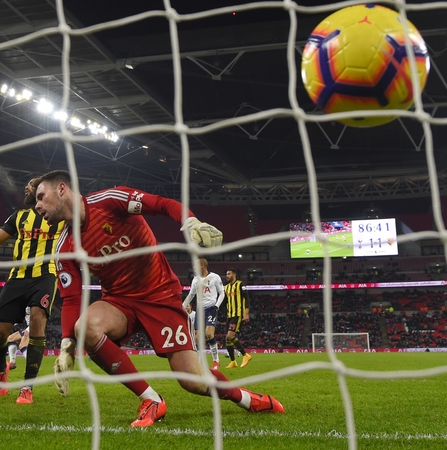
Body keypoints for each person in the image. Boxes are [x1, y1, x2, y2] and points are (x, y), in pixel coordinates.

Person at [33, 170, 283, 427]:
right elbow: (72, 298)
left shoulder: (109, 200)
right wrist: (66, 346)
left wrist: (190, 221)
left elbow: (161, 204)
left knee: (193, 382)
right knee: (86, 327)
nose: (38, 206)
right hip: (119, 302)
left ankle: (247, 398)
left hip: (160, 294)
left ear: (62, 189)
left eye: (41, 197)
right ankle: (151, 400)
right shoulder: (64, 247)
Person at [0, 178, 62, 405]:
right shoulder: (18, 216)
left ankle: (27, 387)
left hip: (46, 274)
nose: (27, 187)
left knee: (38, 319)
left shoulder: (59, 216)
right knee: (0, 334)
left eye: (32, 184)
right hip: (17, 278)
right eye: (27, 185)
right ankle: (2, 370)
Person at [182, 258, 225, 370]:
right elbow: (191, 295)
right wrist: (181, 307)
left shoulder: (215, 277)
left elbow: (222, 293)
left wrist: (217, 305)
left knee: (209, 334)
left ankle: (216, 361)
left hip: (211, 308)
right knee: (197, 338)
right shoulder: (195, 279)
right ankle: (199, 364)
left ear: (202, 266)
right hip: (200, 310)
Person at [224, 268, 252, 368]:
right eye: (226, 274)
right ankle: (233, 361)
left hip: (238, 314)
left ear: (234, 274)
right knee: (227, 339)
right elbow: (224, 302)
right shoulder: (226, 287)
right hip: (229, 315)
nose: (227, 275)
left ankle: (245, 355)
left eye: (229, 273)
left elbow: (247, 299)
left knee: (230, 336)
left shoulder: (240, 284)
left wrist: (246, 313)